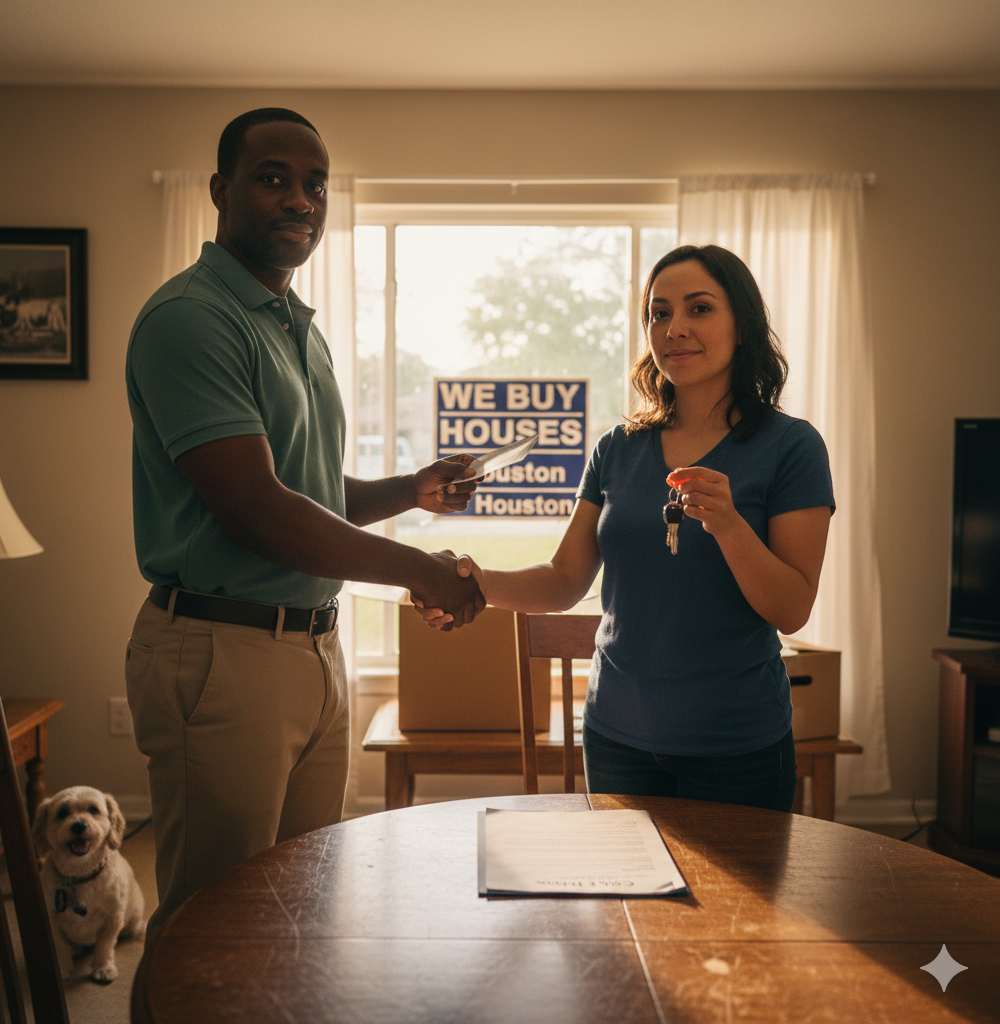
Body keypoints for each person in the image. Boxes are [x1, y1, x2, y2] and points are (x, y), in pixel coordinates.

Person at [125, 107, 484, 943]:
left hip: (315, 649)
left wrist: (413, 487)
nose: (300, 199)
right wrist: (418, 569)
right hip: (223, 652)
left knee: (299, 908)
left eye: (315, 184)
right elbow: (255, 510)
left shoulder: (297, 328)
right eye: (273, 177)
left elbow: (309, 493)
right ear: (221, 190)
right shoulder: (191, 318)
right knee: (212, 927)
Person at [418, 244, 834, 812]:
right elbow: (565, 580)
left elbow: (792, 609)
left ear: (743, 325)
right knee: (627, 904)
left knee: (739, 906)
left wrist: (731, 526)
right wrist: (472, 581)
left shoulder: (792, 447)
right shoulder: (616, 449)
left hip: (737, 748)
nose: (675, 328)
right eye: (659, 313)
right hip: (616, 738)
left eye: (700, 309)